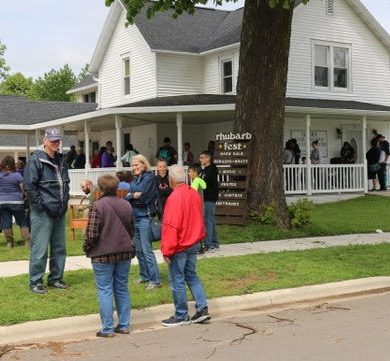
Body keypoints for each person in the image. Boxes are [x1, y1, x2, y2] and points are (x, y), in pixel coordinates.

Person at [83, 174, 135, 338]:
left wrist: (86, 248)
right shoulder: (127, 205)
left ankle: (107, 328)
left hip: (102, 254)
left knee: (105, 290)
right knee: (121, 288)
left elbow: (91, 234)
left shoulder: (97, 205)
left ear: (100, 188)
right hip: (124, 251)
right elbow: (132, 230)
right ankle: (124, 325)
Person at [161, 165, 210, 327]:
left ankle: (181, 314)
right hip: (194, 241)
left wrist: (167, 251)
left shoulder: (174, 197)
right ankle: (202, 308)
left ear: (171, 180)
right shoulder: (193, 194)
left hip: (180, 244)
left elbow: (171, 226)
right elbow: (199, 217)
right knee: (191, 275)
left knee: (177, 280)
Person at [24, 127, 70, 294]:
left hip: (59, 211)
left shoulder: (61, 160)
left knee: (59, 248)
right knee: (40, 248)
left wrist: (64, 203)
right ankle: (35, 281)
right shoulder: (35, 160)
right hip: (42, 212)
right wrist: (40, 206)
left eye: (57, 140)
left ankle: (56, 279)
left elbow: (65, 183)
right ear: (44, 141)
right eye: (52, 140)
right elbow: (30, 187)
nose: (55, 143)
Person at [126, 154, 161, 289]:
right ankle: (144, 275)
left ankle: (155, 280)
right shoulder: (135, 179)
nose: (134, 168)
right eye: (133, 165)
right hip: (134, 218)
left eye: (137, 165)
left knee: (147, 250)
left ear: (144, 165)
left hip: (146, 218)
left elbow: (144, 198)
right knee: (139, 250)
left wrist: (133, 196)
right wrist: (133, 196)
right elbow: (128, 196)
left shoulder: (149, 178)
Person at [0, 156, 30, 247]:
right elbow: (23, 189)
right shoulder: (17, 175)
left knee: (6, 222)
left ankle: (9, 243)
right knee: (22, 222)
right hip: (17, 202)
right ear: (13, 165)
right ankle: (27, 242)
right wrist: (25, 197)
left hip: (2, 202)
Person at [199, 150, 219, 251]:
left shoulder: (211, 169)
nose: (201, 160)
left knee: (208, 221)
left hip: (209, 198)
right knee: (210, 220)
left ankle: (209, 244)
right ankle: (215, 243)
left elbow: (204, 183)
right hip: (204, 198)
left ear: (208, 158)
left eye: (202, 158)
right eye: (200, 158)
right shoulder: (204, 170)